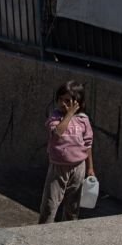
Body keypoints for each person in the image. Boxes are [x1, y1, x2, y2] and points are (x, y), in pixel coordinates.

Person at [38, 80, 95, 224]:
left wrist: (90, 168)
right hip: (58, 167)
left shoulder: (83, 120)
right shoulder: (55, 117)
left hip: (78, 167)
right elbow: (57, 133)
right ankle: (42, 231)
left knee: (73, 206)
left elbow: (88, 144)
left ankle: (68, 231)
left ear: (78, 103)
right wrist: (69, 114)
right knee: (49, 205)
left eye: (68, 101)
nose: (62, 103)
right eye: (60, 99)